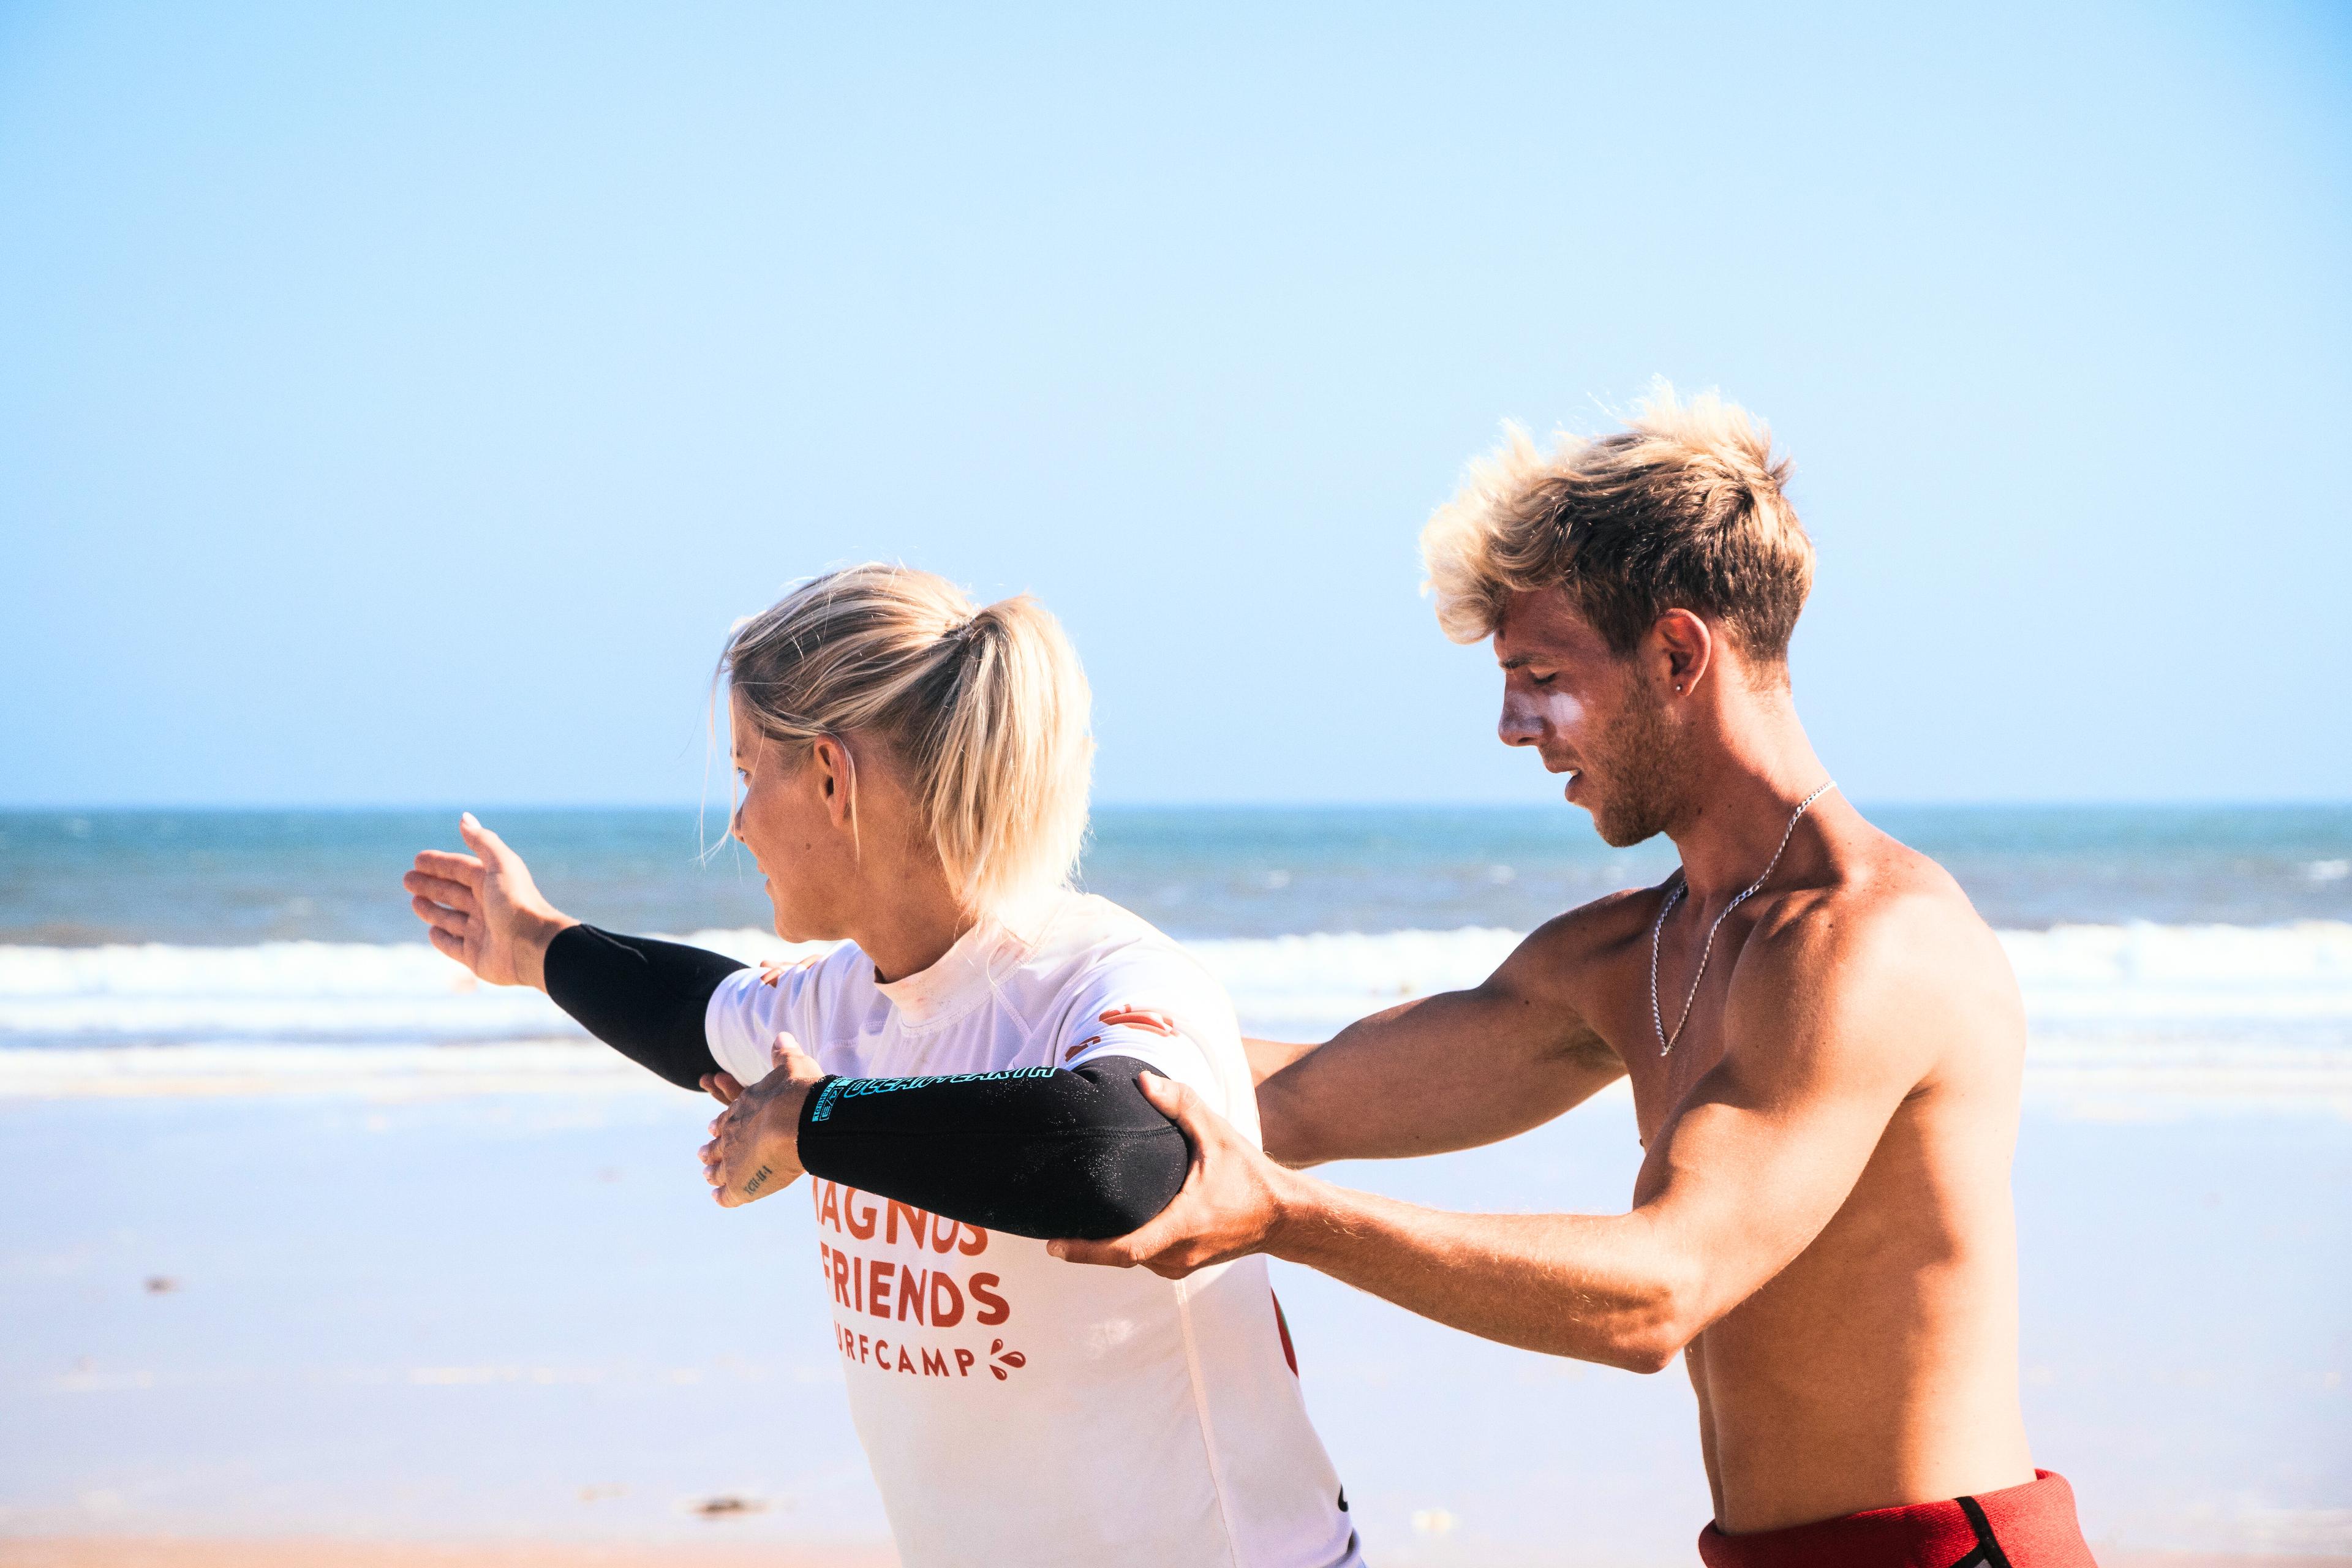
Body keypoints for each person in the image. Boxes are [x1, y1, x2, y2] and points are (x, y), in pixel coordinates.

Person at [1052, 391, 2098, 1567]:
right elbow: (1284, 1099)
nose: (1511, 726)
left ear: (1676, 653)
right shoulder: (1627, 955)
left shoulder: (1871, 942)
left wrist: (1287, 1221)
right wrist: (928, 1038)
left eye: (1540, 672)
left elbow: (1662, 1287)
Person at [402, 564, 1362, 1568]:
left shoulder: (1101, 978)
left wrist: (811, 1124)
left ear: (830, 775)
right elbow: (693, 1012)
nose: (737, 823)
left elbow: (1126, 1155)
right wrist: (534, 945)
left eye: (746, 773)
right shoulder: (842, 999)